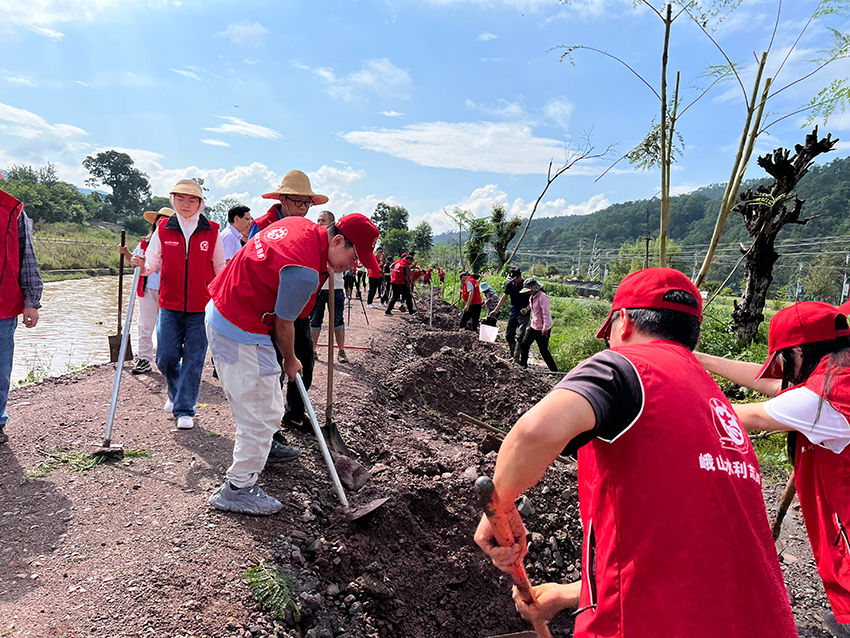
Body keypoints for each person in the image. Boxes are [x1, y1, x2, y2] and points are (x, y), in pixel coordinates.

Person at [474, 268, 797, 638]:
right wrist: (566, 595)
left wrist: (501, 504)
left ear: (623, 322)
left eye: (608, 332)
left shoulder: (625, 367)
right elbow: (685, 556)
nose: (608, 343)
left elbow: (533, 432)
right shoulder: (715, 404)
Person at [205, 213, 379, 514]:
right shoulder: (304, 272)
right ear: (337, 240)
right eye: (354, 257)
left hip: (232, 309)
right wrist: (290, 359)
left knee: (269, 406)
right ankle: (238, 488)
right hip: (238, 325)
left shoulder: (302, 227)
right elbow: (284, 325)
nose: (354, 266)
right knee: (258, 412)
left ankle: (263, 451)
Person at [696, 301, 850, 637]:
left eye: (780, 360)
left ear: (797, 351)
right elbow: (775, 385)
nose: (778, 371)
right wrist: (698, 360)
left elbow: (741, 415)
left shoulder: (828, 396)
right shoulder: (835, 373)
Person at [129, 179, 225, 430]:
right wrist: (142, 265)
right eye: (181, 199)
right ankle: (176, 391)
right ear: (173, 200)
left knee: (194, 359)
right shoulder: (164, 228)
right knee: (165, 358)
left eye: (192, 199)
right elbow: (152, 261)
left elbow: (219, 267)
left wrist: (221, 297)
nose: (186, 204)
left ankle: (185, 409)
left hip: (200, 307)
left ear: (200, 203)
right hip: (169, 305)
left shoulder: (212, 230)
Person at [249, 170, 328, 434]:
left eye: (307, 203)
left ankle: (295, 413)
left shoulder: (312, 231)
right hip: (268, 310)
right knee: (272, 367)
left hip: (299, 310)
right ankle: (267, 428)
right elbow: (251, 263)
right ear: (282, 198)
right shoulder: (262, 225)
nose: (304, 208)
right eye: (298, 202)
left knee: (303, 357)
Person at [0, 188, 43, 445]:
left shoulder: (13, 211)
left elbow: (26, 256)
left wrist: (31, 301)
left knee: (0, 369)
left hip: (3, 304)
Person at [119, 207, 173, 375]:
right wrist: (126, 253)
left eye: (165, 219)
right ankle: (144, 359)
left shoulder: (175, 243)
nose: (161, 222)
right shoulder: (145, 242)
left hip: (170, 289)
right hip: (148, 288)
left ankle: (168, 359)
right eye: (159, 219)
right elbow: (135, 264)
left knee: (168, 327)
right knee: (145, 325)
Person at [310, 210, 348, 364]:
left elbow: (346, 264)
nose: (319, 223)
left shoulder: (340, 241)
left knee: (338, 319)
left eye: (323, 220)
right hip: (318, 288)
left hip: (336, 287)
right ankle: (312, 350)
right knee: (315, 320)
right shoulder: (313, 240)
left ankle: (341, 350)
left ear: (331, 223)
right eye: (318, 220)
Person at [488, 267, 530, 362]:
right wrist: (496, 310)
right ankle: (513, 354)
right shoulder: (510, 285)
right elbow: (504, 298)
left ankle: (517, 358)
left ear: (519, 276)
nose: (514, 281)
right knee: (509, 335)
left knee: (520, 335)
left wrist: (527, 309)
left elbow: (533, 299)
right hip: (513, 312)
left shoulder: (526, 285)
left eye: (515, 279)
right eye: (512, 280)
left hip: (524, 313)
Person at [516, 278, 557, 371]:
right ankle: (523, 367)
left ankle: (554, 370)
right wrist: (526, 310)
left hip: (542, 327)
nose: (528, 292)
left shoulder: (543, 297)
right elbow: (531, 305)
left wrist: (545, 328)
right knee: (524, 345)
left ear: (534, 289)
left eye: (529, 290)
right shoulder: (533, 296)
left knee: (543, 350)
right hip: (534, 326)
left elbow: (546, 313)